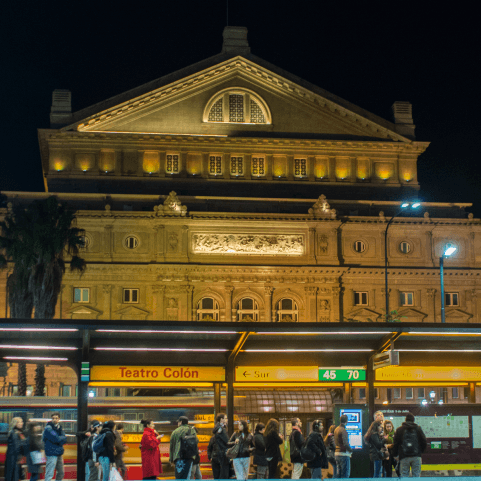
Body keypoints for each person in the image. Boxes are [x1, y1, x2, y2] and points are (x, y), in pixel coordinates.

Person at [392, 413, 427, 478]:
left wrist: (395, 455)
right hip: (416, 456)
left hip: (404, 456)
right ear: (413, 420)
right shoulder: (418, 429)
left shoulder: (399, 430)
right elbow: (424, 441)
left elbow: (396, 443)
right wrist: (420, 451)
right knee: (416, 475)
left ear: (405, 420)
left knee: (404, 475)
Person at [43, 412, 67, 481]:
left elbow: (64, 439)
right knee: (49, 473)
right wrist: (60, 439)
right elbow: (56, 438)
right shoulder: (48, 428)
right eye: (53, 418)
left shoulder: (60, 428)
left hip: (59, 452)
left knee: (61, 472)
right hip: (51, 453)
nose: (54, 420)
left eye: (56, 418)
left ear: (59, 419)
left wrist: (59, 439)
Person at [5, 417, 26, 481]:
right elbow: (17, 446)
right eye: (21, 422)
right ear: (16, 423)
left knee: (11, 475)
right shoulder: (15, 433)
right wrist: (20, 457)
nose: (22, 423)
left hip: (12, 457)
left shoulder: (15, 431)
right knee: (14, 476)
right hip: (14, 458)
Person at [211, 413, 229, 480]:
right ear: (222, 419)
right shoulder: (222, 429)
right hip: (222, 455)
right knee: (224, 475)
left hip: (216, 455)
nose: (227, 420)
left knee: (217, 476)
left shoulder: (216, 429)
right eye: (226, 418)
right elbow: (227, 441)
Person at [334, 415, 352, 479]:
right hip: (343, 454)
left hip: (337, 453)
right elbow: (345, 443)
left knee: (339, 474)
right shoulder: (343, 430)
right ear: (347, 421)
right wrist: (351, 450)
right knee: (345, 475)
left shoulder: (336, 429)